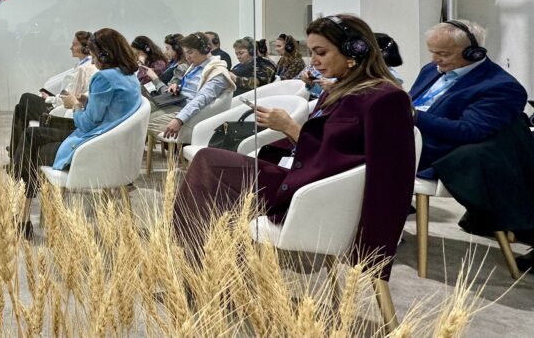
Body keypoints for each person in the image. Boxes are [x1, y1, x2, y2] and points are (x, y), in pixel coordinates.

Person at [174, 14, 416, 280]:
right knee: (211, 167)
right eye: (311, 52)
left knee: (210, 165)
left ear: (354, 50)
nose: (314, 61)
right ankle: (206, 267)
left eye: (321, 52)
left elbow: (389, 176)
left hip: (317, 193)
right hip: (304, 175)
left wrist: (290, 127)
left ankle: (199, 268)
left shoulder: (386, 98)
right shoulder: (341, 89)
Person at [14, 27, 142, 237]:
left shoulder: (104, 78)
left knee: (31, 141)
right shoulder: (129, 76)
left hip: (93, 149)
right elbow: (113, 108)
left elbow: (87, 123)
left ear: (104, 54)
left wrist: (74, 104)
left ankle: (22, 212)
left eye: (93, 56)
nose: (92, 62)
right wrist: (89, 100)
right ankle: (22, 211)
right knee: (33, 136)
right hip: (112, 147)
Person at [410, 19, 527, 177]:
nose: (435, 59)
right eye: (433, 52)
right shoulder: (431, 70)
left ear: (473, 53)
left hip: (435, 151)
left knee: (371, 149)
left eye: (444, 54)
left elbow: (469, 131)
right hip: (404, 135)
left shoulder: (502, 87)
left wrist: (413, 116)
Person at [8, 31, 97, 159]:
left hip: (60, 109)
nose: (71, 47)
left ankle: (15, 152)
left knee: (25, 98)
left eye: (75, 44)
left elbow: (69, 97)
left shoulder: (84, 69)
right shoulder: (82, 66)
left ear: (85, 48)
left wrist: (49, 98)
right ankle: (16, 152)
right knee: (20, 107)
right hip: (62, 105)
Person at [152, 32, 235, 138]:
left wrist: (179, 119)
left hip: (189, 116)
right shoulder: (195, 66)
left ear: (205, 49)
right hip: (177, 104)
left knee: (141, 124)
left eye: (190, 52)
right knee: (142, 114)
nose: (187, 57)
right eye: (185, 53)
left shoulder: (218, 73)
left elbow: (201, 99)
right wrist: (178, 87)